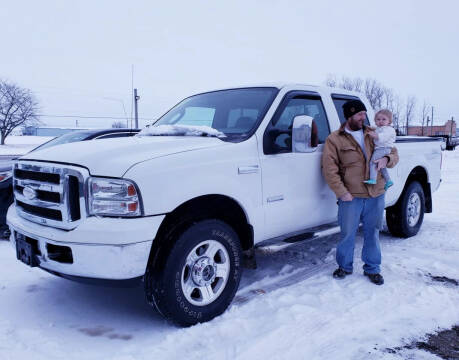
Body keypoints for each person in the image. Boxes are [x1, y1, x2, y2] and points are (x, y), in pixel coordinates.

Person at [321, 99, 399, 285]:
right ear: (349, 116)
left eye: (364, 114)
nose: (363, 118)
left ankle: (372, 269)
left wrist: (386, 159)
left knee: (372, 232)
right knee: (347, 234)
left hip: (376, 193)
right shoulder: (335, 139)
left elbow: (394, 153)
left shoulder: (374, 132)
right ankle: (345, 266)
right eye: (359, 115)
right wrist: (341, 192)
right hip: (351, 196)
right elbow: (329, 169)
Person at [363, 109, 396, 190]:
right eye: (378, 119)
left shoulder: (388, 129)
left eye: (384, 119)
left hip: (383, 149)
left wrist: (375, 136)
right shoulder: (380, 128)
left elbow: (383, 137)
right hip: (382, 149)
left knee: (373, 162)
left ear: (389, 121)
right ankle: (388, 181)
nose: (380, 121)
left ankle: (373, 179)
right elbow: (375, 129)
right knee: (381, 166)